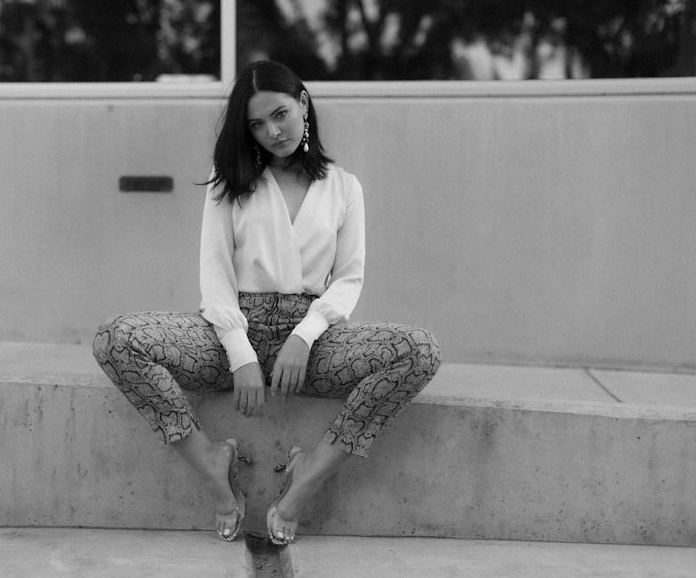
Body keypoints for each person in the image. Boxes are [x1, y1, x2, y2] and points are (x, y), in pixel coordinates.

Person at [92, 60, 441, 545]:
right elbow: (214, 276)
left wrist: (304, 335)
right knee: (116, 339)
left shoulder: (344, 187)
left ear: (302, 104)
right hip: (229, 333)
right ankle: (212, 462)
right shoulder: (229, 180)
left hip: (314, 345)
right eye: (256, 124)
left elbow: (348, 279)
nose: (272, 131)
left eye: (279, 114)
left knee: (419, 351)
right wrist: (240, 354)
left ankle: (311, 471)